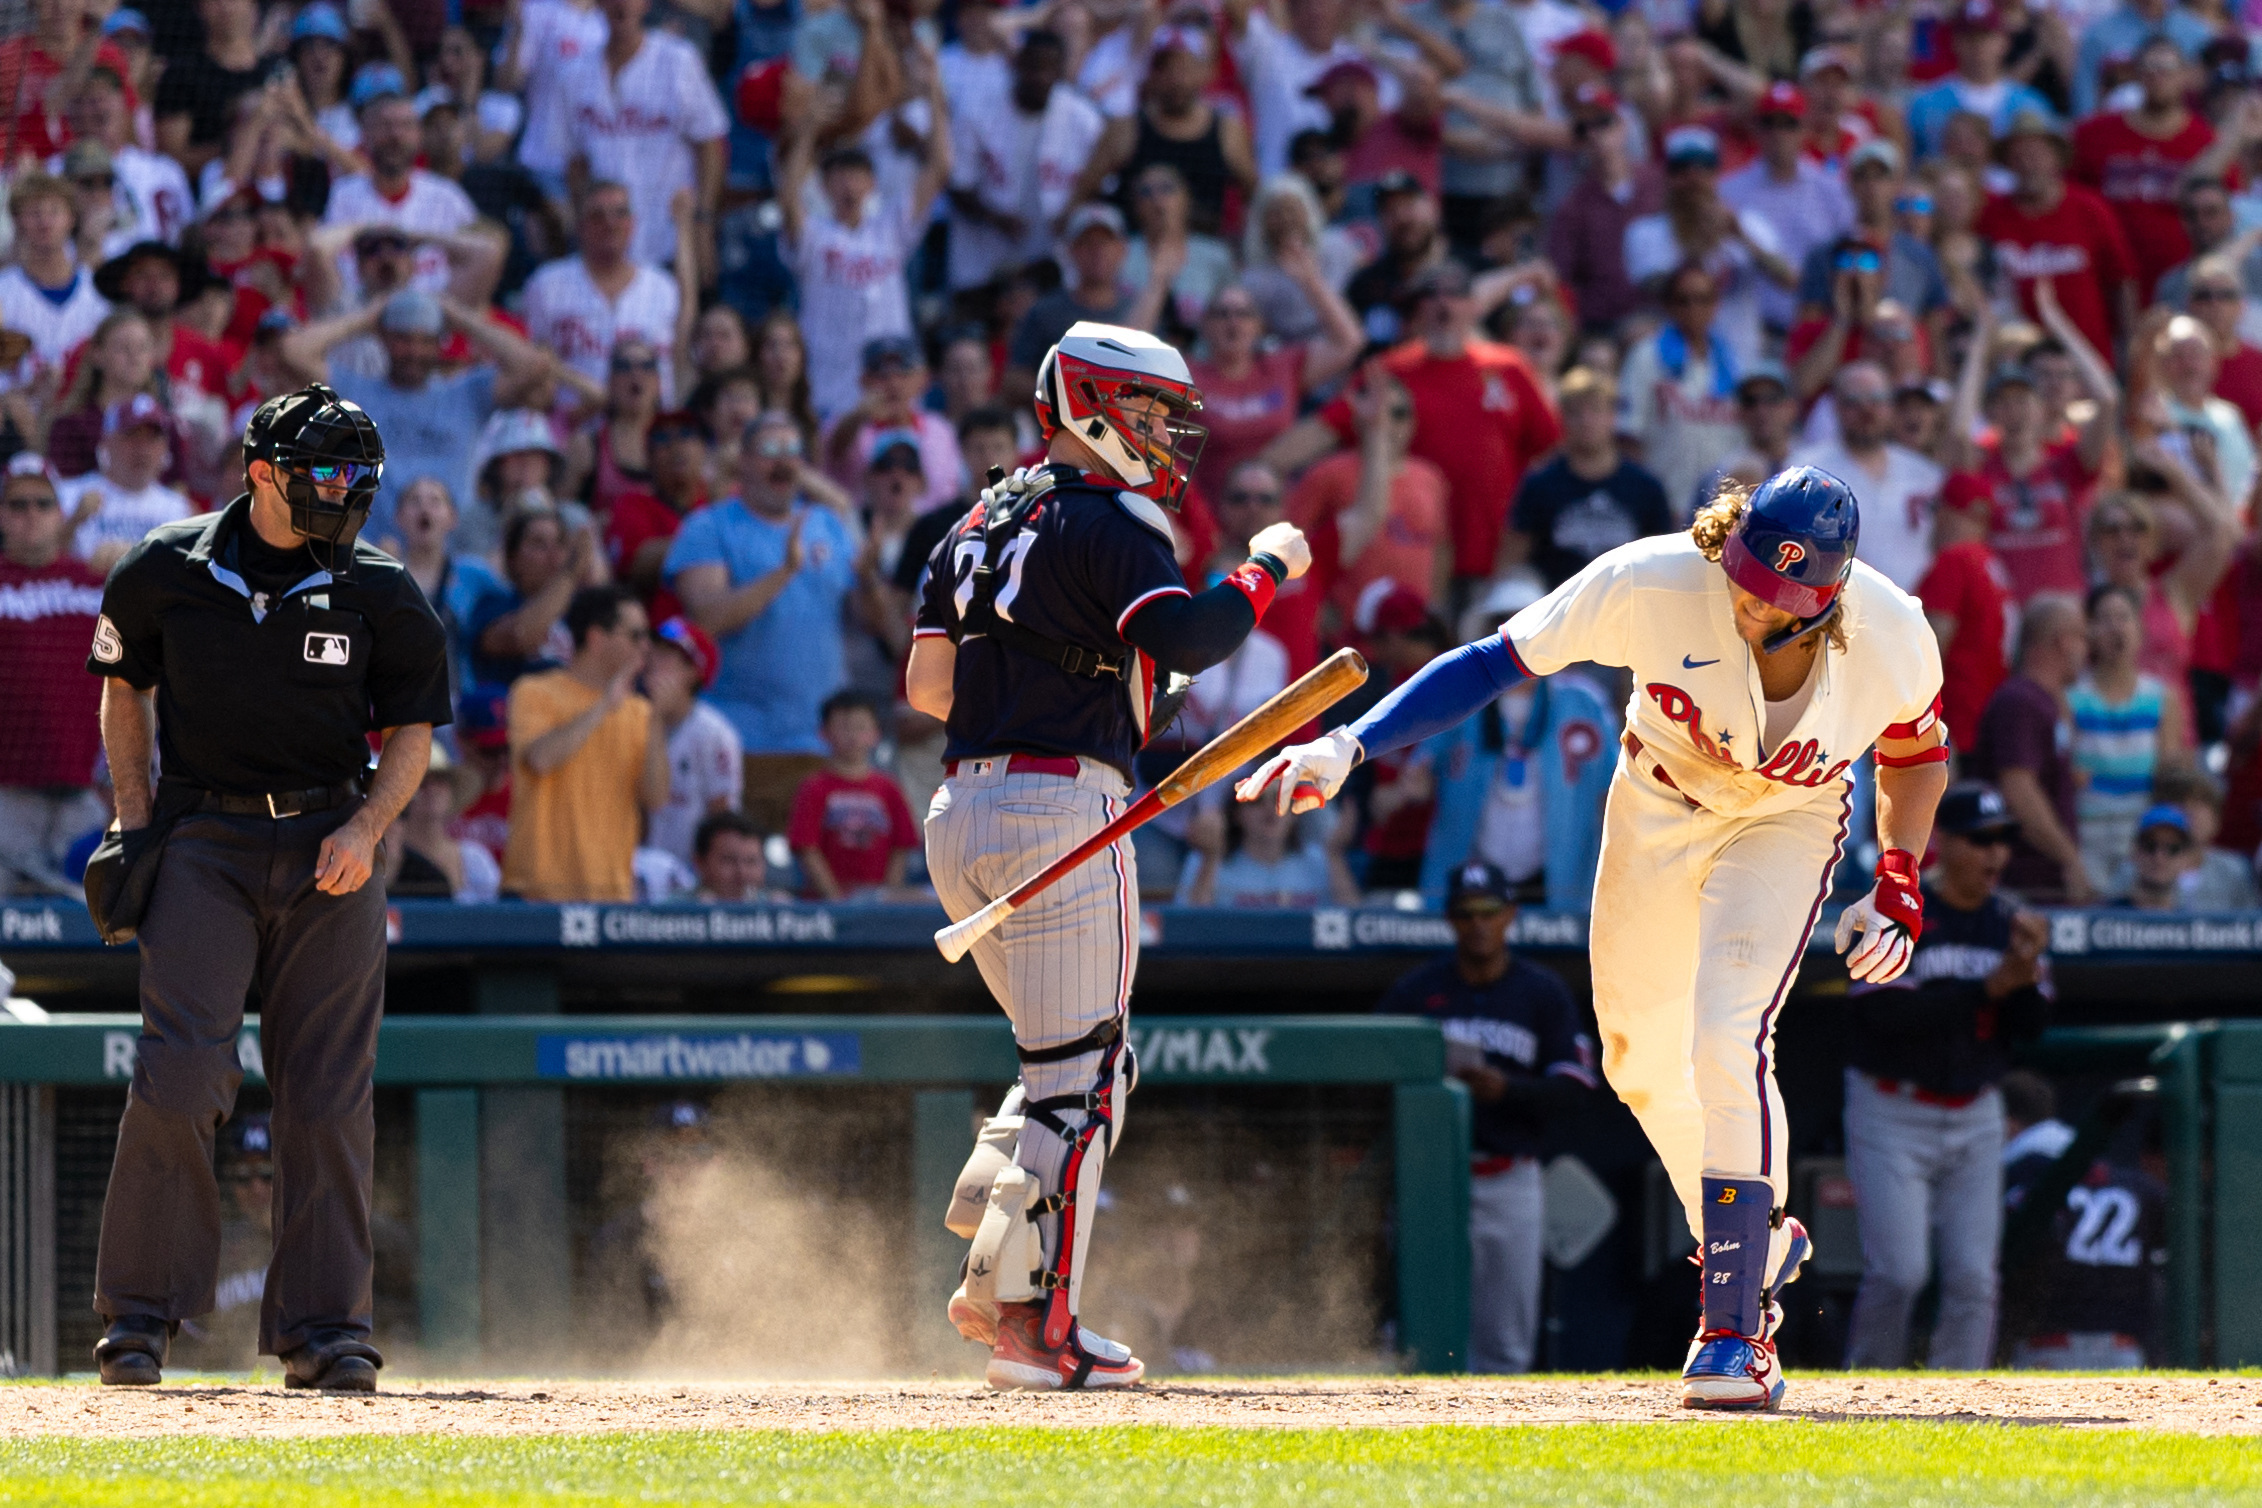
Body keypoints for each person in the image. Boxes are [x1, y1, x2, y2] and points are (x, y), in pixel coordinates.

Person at [1239, 466, 1951, 1410]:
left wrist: (1898, 879)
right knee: (1639, 1061)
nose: (1745, 599)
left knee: (1727, 1033)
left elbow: (1914, 749)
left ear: (1828, 602)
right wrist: (1350, 747)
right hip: (1658, 797)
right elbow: (1494, 661)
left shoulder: (1893, 631)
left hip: (1789, 818)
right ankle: (1757, 1237)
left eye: (1774, 597)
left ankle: (1737, 1328)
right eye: (1741, 573)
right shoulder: (1656, 579)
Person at [907, 321, 1312, 1390]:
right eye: (1150, 412)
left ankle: (997, 1233)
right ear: (1092, 405)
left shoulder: (974, 520)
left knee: (1077, 1067)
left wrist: (1083, 682)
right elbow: (1189, 636)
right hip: (1063, 805)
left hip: (958, 812)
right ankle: (1040, 1326)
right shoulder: (1114, 516)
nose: (1166, 437)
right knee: (1082, 1079)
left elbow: (927, 689)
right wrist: (1264, 570)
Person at [84, 385, 449, 1391]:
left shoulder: (380, 585)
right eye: (324, 472)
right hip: (204, 834)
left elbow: (415, 723)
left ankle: (327, 1329)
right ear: (260, 476)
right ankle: (140, 1318)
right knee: (181, 1071)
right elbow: (124, 685)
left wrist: (372, 825)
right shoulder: (165, 567)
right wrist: (133, 813)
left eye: (356, 473)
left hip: (333, 837)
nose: (345, 489)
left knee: (328, 1094)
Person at [1842, 780, 2050, 1370]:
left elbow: (2031, 1028)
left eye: (2002, 842)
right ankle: (1868, 1390)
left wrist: (2027, 974)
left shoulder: (2011, 924)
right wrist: (1987, 988)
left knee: (1973, 1279)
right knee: (1901, 1273)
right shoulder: (1899, 912)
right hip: (1892, 1107)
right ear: (1945, 844)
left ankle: (1960, 1404)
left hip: (1976, 1113)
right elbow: (1880, 1015)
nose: (1995, 856)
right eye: (1980, 841)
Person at [1375, 861, 1595, 1371]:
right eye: (1466, 913)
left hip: (1507, 1177)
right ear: (1451, 919)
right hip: (1428, 1181)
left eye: (1489, 912)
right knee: (1419, 1336)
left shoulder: (1540, 992)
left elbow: (1578, 1085)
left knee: (1505, 1342)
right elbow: (1373, 1067)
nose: (1478, 923)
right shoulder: (1418, 990)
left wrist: (1508, 1090)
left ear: (1510, 916)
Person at [1267, 260, 1561, 598]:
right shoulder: (1388, 372)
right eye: (1431, 296)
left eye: (1455, 295)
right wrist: (1261, 467)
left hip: (1493, 560)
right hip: (1411, 557)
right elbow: (1323, 429)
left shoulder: (1509, 368)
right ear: (1417, 310)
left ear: (1474, 307)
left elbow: (1550, 452)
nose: (1443, 304)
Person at [665, 409, 860, 836]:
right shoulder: (708, 526)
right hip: (738, 745)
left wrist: (876, 584)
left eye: (793, 451)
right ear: (744, 463)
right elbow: (707, 620)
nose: (784, 461)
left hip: (821, 746)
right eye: (771, 450)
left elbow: (862, 618)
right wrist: (783, 571)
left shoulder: (826, 524)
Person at [284, 289, 569, 543]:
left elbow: (533, 365)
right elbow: (293, 351)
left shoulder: (468, 393)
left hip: (457, 556)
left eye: (425, 340)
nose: (414, 351)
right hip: (375, 552)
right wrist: (366, 319)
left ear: (439, 343)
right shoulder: (356, 392)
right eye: (403, 339)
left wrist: (460, 319)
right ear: (384, 339)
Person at [504, 584, 671, 902]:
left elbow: (656, 798)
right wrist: (604, 705)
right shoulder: (535, 692)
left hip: (611, 897)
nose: (646, 646)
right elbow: (539, 759)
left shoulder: (641, 711)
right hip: (536, 893)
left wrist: (658, 721)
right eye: (636, 635)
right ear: (596, 638)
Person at [0, 454, 106, 896]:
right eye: (18, 505)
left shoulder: (95, 583)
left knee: (96, 944)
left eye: (43, 504)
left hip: (81, 802)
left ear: (60, 513)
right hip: (6, 801)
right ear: (2, 514)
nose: (31, 515)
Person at [561, 0, 728, 270]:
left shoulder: (677, 60)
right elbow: (575, 162)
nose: (622, 5)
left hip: (670, 235)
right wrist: (584, 226)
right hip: (607, 242)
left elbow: (709, 143)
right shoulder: (575, 73)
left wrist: (703, 220)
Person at [948, 30, 1106, 294]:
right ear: (1019, 64)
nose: (1041, 76)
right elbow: (957, 185)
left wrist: (1074, 209)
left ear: (1061, 70)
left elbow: (1104, 185)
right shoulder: (978, 111)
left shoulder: (1083, 118)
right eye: (1034, 66)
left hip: (1055, 255)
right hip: (985, 252)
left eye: (1050, 68)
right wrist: (994, 217)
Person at [1283, 373, 1451, 619]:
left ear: (1413, 422)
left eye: (1398, 413)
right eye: (1378, 413)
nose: (1387, 423)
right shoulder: (1326, 474)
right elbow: (1293, 541)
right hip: (1347, 627)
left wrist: (1433, 605)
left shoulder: (1431, 477)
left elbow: (1441, 547)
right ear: (1358, 418)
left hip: (1411, 633)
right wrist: (1315, 604)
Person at [1977, 110, 2136, 366]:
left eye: (2037, 154)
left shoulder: (2090, 209)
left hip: (2089, 357)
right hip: (2020, 363)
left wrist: (2128, 346)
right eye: (2019, 155)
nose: (2028, 163)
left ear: (2056, 158)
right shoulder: (1991, 216)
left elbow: (2121, 281)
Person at [1967, 593, 2092, 902]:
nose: (2087, 651)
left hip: (2039, 885)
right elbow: (2019, 791)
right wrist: (2069, 858)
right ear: (2064, 642)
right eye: (2082, 639)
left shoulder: (2043, 702)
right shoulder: (2021, 702)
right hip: (2020, 889)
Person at [521, 182, 691, 407]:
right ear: (580, 225)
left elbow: (679, 361)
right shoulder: (547, 284)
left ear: (632, 224)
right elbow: (534, 363)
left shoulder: (662, 287)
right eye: (597, 215)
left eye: (620, 214)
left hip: (649, 430)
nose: (610, 223)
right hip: (570, 428)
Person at [1509, 367, 1672, 590]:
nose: (1586, 421)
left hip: (1626, 604)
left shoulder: (1645, 487)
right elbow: (1512, 559)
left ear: (1612, 416)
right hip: (1555, 606)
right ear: (1562, 418)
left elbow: (1661, 564)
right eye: (1576, 412)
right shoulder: (1540, 485)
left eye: (1595, 410)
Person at [2070, 583, 2186, 892]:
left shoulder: (2162, 699)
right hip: (2086, 838)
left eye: (2124, 617)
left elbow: (2168, 776)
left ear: (2139, 628)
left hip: (2142, 842)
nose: (2115, 628)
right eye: (2104, 619)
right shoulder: (2070, 698)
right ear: (2089, 631)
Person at [1790, 361, 1943, 591]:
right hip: (1841, 608)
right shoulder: (1806, 469)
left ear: (1890, 406)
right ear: (1836, 407)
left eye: (1876, 399)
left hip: (1916, 612)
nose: (1867, 411)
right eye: (1854, 402)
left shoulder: (1925, 473)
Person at [1616, 262, 1747, 518]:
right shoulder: (1646, 356)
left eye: (1702, 299)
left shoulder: (1734, 364)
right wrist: (1649, 503)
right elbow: (1629, 437)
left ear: (1715, 305)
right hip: (1663, 505)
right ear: (1668, 306)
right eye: (1683, 300)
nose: (1693, 309)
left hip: (1722, 512)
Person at [1721, 81, 1852, 332]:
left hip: (1814, 329)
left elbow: (1846, 262)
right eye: (1770, 124)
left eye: (1789, 124)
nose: (1779, 135)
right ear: (1757, 130)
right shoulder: (1730, 191)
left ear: (1805, 129)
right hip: (1751, 330)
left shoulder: (1831, 192)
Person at [786, 690, 920, 900]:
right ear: (824, 733)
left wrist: (886, 896)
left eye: (861, 727)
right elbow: (807, 848)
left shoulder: (889, 788)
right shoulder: (813, 788)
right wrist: (833, 897)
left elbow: (901, 847)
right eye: (843, 727)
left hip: (878, 901)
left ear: (876, 733)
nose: (853, 736)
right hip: (825, 904)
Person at [642, 615, 741, 872]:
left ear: (692, 672)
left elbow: (721, 814)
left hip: (690, 875)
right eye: (653, 653)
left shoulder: (714, 733)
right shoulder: (631, 717)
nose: (652, 662)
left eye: (665, 657)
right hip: (638, 870)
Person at [56, 394, 194, 576]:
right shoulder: (69, 494)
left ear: (164, 447)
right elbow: (39, 562)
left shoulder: (177, 509)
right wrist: (73, 523)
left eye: (152, 438)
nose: (143, 450)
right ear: (107, 443)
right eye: (132, 437)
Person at [0, 172, 110, 373]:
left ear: (71, 219)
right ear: (17, 221)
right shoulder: (4, 291)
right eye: (34, 213)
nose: (44, 223)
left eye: (54, 212)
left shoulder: (97, 290)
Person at [1175, 792, 1359, 906]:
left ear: (1295, 812)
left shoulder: (1322, 860)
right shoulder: (1205, 860)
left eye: (1281, 799)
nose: (1270, 809)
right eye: (1257, 800)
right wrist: (1210, 859)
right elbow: (1190, 929)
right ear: (1237, 813)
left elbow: (1354, 927)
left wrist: (1335, 855)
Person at [380, 744, 503, 902]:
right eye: (421, 782)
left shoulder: (476, 860)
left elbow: (497, 918)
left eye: (441, 780)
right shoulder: (386, 855)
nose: (432, 789)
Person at [2115, 803, 2204, 911]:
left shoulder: (2195, 924)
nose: (2159, 858)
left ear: (2187, 858)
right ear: (2134, 851)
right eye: (2150, 846)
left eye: (2173, 849)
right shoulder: (2102, 918)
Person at [691, 809, 789, 902]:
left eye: (751, 861)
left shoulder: (778, 907)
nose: (742, 873)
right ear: (700, 863)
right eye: (729, 860)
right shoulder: (677, 908)